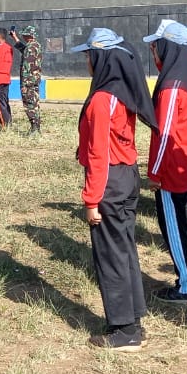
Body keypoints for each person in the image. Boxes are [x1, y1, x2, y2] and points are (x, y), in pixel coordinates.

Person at [71, 27, 158, 351]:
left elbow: (99, 155)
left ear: (100, 59)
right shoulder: (122, 94)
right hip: (126, 177)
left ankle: (124, 330)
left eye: (89, 56)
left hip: (110, 182)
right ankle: (133, 319)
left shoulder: (103, 101)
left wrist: (91, 199)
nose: (87, 62)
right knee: (124, 250)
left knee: (111, 256)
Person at [143, 20, 187, 306]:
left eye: (156, 46)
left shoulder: (171, 87)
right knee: (186, 223)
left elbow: (165, 132)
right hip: (186, 160)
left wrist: (155, 172)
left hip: (170, 170)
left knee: (174, 226)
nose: (154, 52)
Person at [9, 25, 43, 134]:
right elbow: (24, 50)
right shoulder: (36, 45)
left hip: (28, 81)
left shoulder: (30, 48)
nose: (23, 36)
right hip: (35, 79)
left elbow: (26, 66)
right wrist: (15, 37)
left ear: (28, 35)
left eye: (24, 34)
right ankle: (36, 127)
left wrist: (24, 84)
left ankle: (34, 128)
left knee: (29, 104)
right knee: (35, 103)